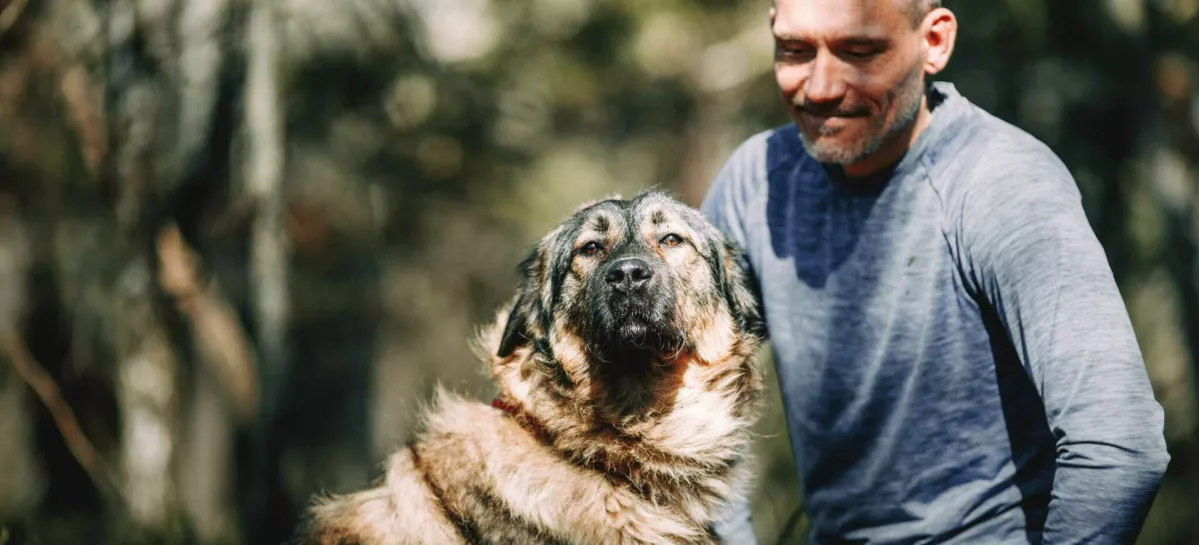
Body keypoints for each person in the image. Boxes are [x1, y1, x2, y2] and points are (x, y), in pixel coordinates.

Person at [700, 0, 1170, 543]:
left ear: (935, 42)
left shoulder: (1000, 184)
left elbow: (1118, 443)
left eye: (859, 51)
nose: (821, 86)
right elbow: (687, 388)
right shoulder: (757, 181)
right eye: (795, 50)